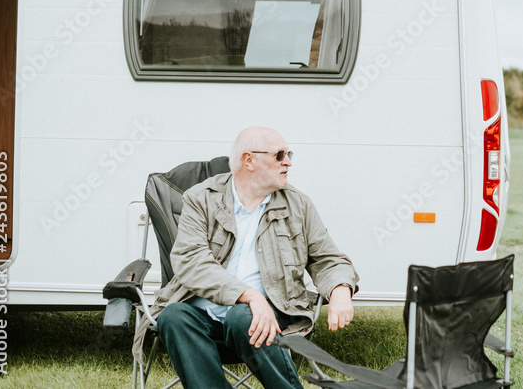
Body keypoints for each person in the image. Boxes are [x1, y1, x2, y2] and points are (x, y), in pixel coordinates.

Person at [132, 126, 359, 389]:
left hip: (270, 310)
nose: (288, 162)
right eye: (279, 155)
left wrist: (340, 289)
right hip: (202, 310)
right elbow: (191, 261)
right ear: (249, 160)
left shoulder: (297, 204)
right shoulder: (201, 199)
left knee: (243, 317)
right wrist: (250, 296)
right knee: (173, 316)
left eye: (289, 154)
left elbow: (328, 258)